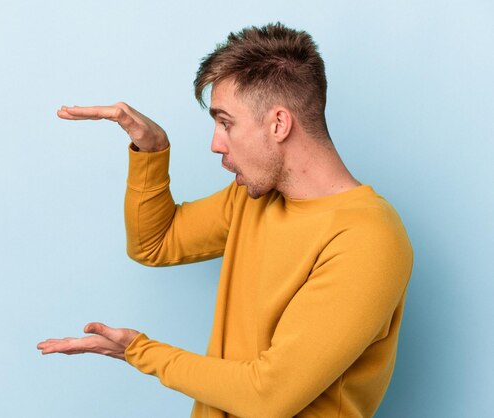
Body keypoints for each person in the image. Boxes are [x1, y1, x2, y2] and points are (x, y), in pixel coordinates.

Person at [37, 23, 413, 418]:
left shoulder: (367, 239)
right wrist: (151, 150)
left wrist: (139, 351)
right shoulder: (252, 198)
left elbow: (268, 396)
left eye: (226, 123)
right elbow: (154, 244)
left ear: (279, 124)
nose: (215, 143)